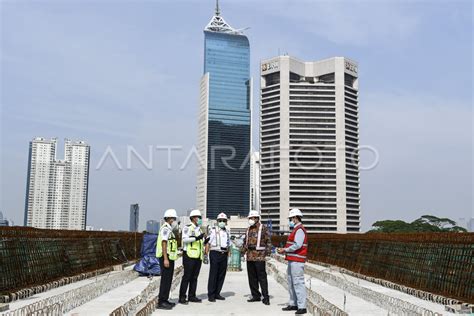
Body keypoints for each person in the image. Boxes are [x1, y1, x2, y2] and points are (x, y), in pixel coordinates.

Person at [278, 208, 308, 315]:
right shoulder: (295, 229)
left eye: (291, 218)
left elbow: (298, 245)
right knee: (291, 282)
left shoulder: (299, 230)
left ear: (295, 218)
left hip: (297, 260)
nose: (290, 220)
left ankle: (302, 306)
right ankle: (293, 303)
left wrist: (285, 250)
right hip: (292, 260)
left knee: (298, 282)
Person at [241, 210, 272, 305]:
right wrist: (242, 251)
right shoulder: (248, 229)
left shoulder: (263, 228)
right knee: (252, 278)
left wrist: (267, 253)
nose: (250, 220)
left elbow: (268, 241)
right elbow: (245, 242)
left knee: (262, 277)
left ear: (257, 218)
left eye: (252, 218)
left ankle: (265, 297)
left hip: (259, 257)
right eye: (249, 218)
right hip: (250, 256)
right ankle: (255, 295)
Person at [179, 209, 205, 304]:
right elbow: (184, 240)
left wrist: (204, 241)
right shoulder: (187, 227)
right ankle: (182, 297)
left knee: (194, 277)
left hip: (198, 257)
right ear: (193, 218)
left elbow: (199, 242)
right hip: (189, 256)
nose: (199, 219)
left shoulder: (199, 229)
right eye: (198, 217)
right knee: (187, 277)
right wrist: (196, 238)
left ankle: (192, 296)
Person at [156, 208, 179, 310]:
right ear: (169, 218)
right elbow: (164, 243)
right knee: (165, 280)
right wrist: (165, 258)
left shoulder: (169, 229)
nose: (174, 221)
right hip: (166, 257)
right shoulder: (165, 228)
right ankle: (161, 301)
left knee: (168, 279)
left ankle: (165, 299)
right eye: (173, 219)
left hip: (170, 257)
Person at [206, 212, 230, 302]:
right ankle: (211, 295)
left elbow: (229, 245)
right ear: (217, 221)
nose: (222, 222)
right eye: (220, 220)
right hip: (215, 253)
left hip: (224, 254)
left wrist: (229, 255)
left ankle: (217, 293)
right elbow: (208, 243)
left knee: (221, 275)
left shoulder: (227, 231)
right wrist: (206, 254)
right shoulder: (213, 230)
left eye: (224, 220)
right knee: (213, 274)